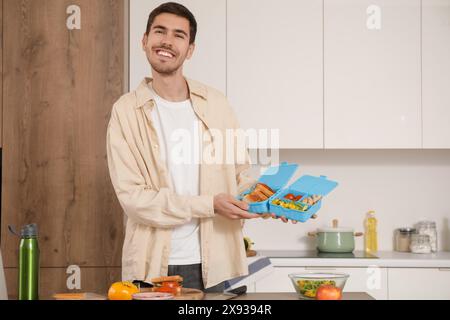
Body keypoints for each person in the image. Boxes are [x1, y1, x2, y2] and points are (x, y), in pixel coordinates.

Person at [106, 2, 294, 293]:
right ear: (144, 41)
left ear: (190, 49)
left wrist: (273, 202)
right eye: (160, 31)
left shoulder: (216, 104)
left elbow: (241, 174)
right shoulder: (126, 111)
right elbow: (133, 199)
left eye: (179, 35)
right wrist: (209, 204)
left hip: (220, 264)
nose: (167, 41)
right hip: (154, 267)